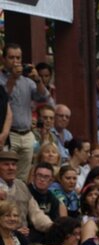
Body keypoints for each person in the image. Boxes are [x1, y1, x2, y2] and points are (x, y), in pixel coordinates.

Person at [0, 43, 51, 180]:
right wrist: (12, 78)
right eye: (11, 57)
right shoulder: (1, 78)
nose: (15, 61)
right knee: (5, 174)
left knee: (22, 177)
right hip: (9, 135)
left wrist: (38, 79)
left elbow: (44, 97)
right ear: (3, 59)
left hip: (27, 134)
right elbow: (2, 100)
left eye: (18, 58)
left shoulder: (27, 81)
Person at [0, 150, 52, 236]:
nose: (11, 168)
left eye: (13, 164)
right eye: (6, 164)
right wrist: (13, 231)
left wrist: (53, 227)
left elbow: (36, 213)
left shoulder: (21, 185)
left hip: (24, 236)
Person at [27, 163, 66, 228]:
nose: (42, 179)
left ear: (51, 180)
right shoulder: (25, 192)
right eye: (39, 175)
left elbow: (55, 222)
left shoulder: (53, 199)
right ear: (33, 177)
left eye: (46, 177)